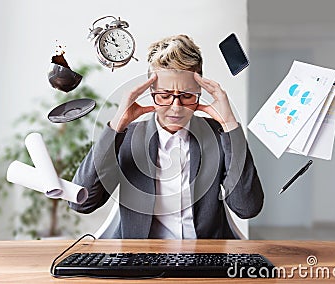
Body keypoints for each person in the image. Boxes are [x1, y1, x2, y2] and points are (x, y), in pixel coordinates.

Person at [69, 35, 263, 239]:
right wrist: (117, 125)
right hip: (141, 260)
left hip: (206, 258)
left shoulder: (218, 135)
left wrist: (230, 125)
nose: (176, 107)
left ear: (199, 91)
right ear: (151, 90)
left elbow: (247, 207)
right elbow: (81, 202)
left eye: (187, 96)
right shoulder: (127, 137)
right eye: (164, 95)